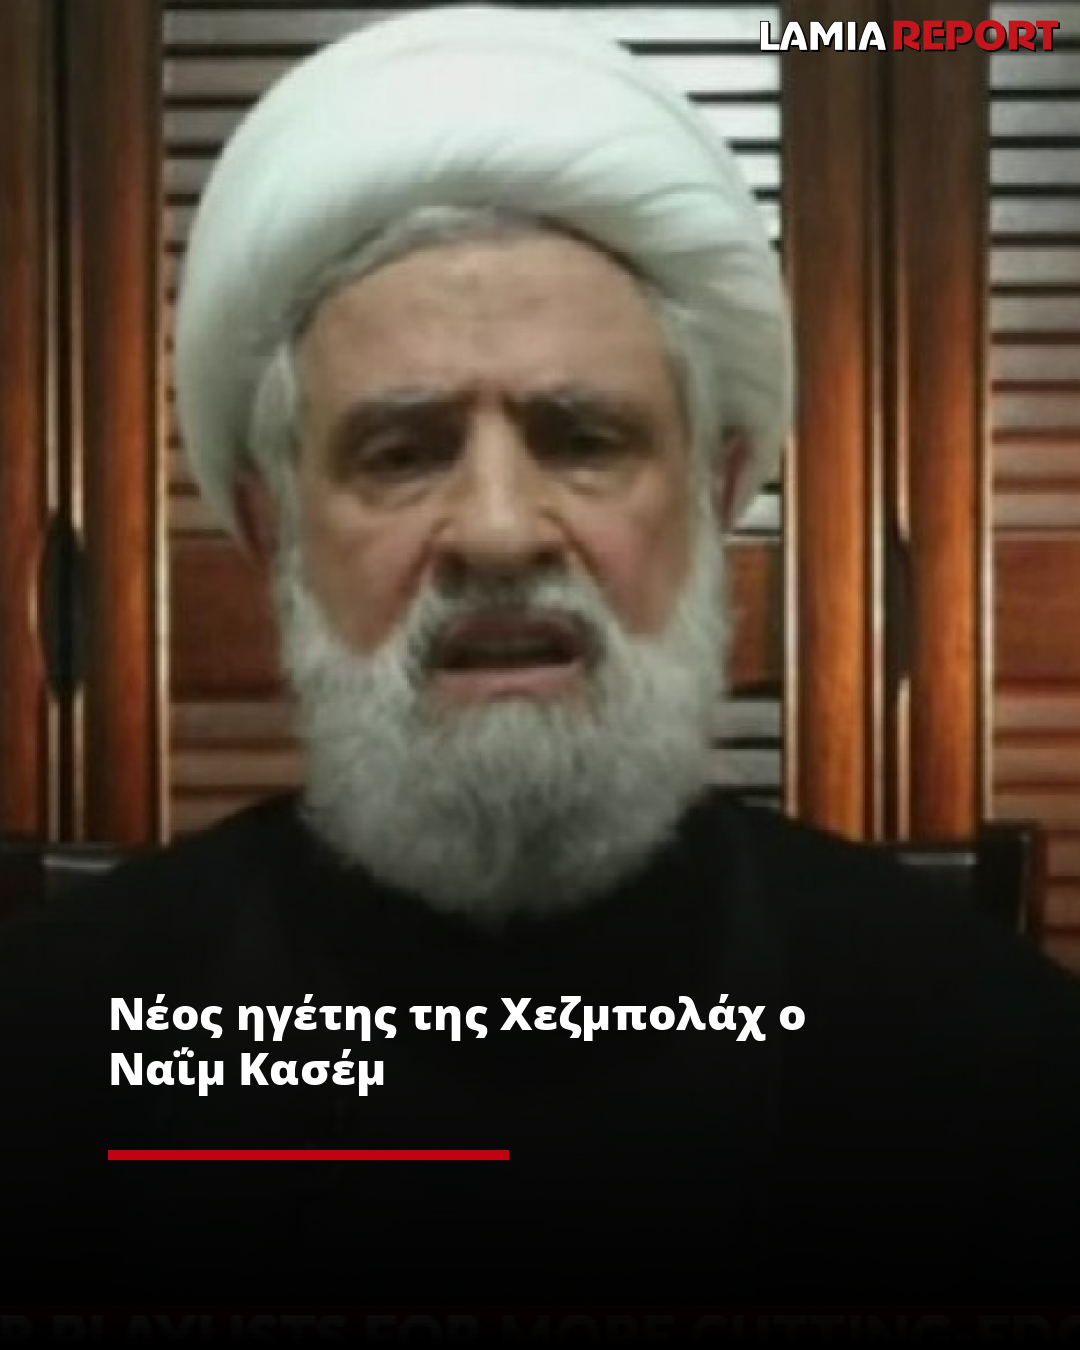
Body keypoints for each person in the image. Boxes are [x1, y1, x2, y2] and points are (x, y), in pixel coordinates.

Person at [2, 4, 1078, 1314]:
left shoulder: (992, 1058)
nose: (500, 532)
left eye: (581, 437)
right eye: (403, 452)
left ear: (716, 489)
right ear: (277, 530)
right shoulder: (55, 1059)